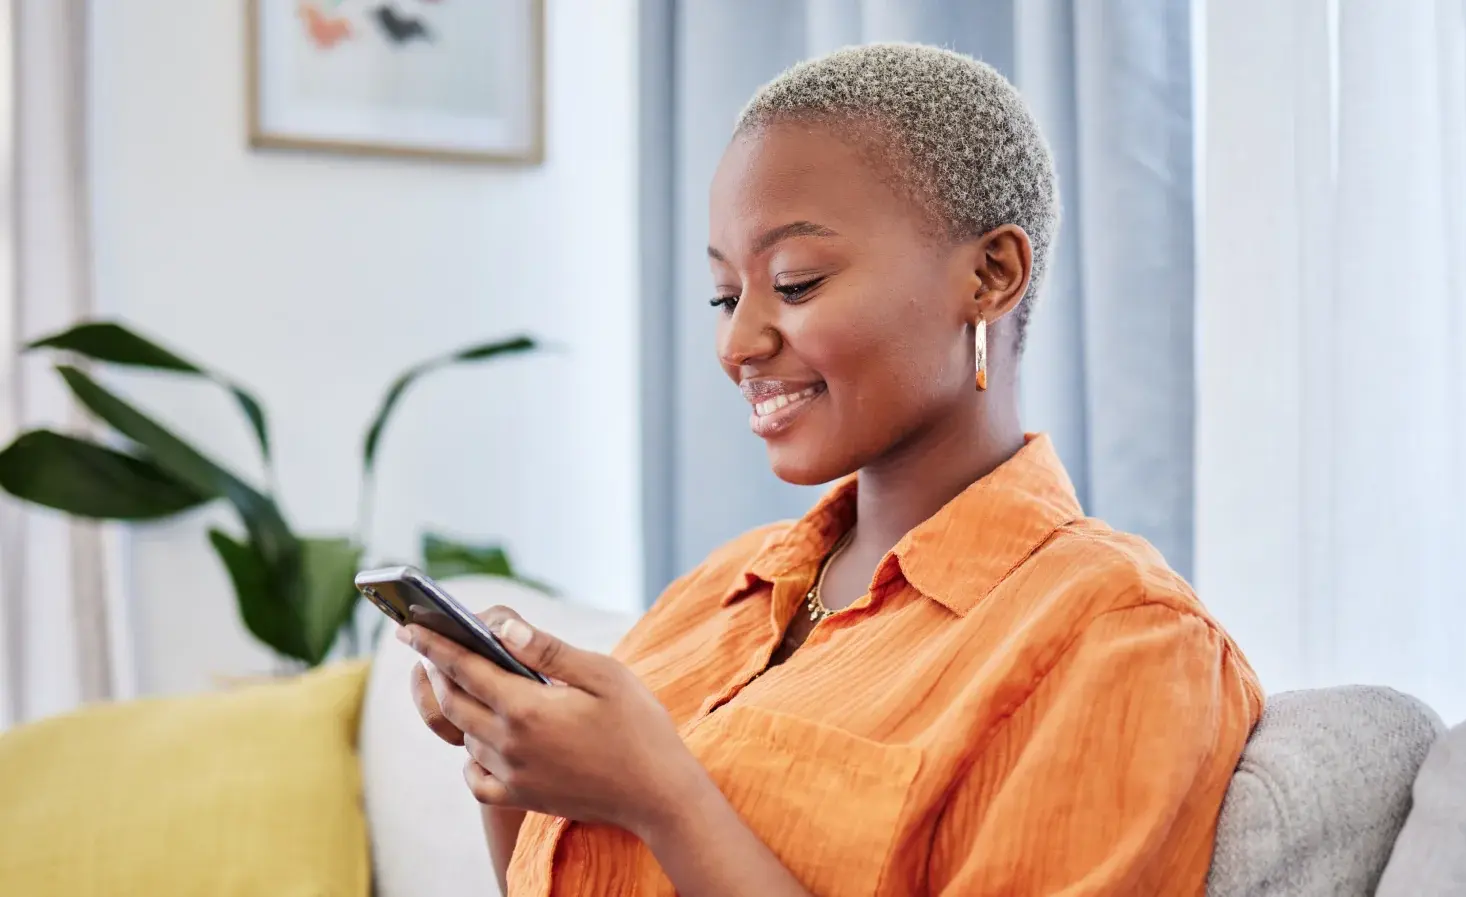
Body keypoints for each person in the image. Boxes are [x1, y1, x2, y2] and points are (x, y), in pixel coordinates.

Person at [398, 43, 1263, 896]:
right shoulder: (718, 591)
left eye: (797, 282)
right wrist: (509, 749)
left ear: (991, 275)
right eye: (725, 295)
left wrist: (662, 797)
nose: (738, 344)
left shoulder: (1122, 637)